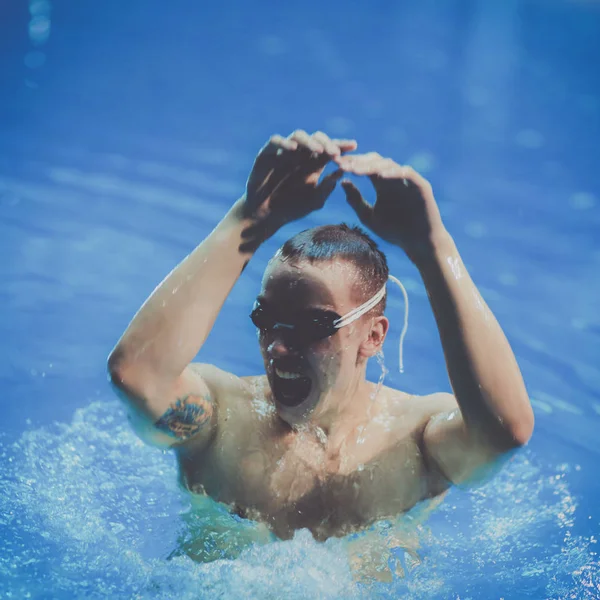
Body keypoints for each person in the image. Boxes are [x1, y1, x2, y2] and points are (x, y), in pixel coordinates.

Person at [108, 130, 534, 542]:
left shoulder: (415, 440)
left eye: (314, 327)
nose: (276, 347)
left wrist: (431, 248)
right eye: (265, 318)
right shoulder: (222, 420)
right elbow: (137, 376)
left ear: (373, 336)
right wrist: (249, 220)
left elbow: (503, 431)